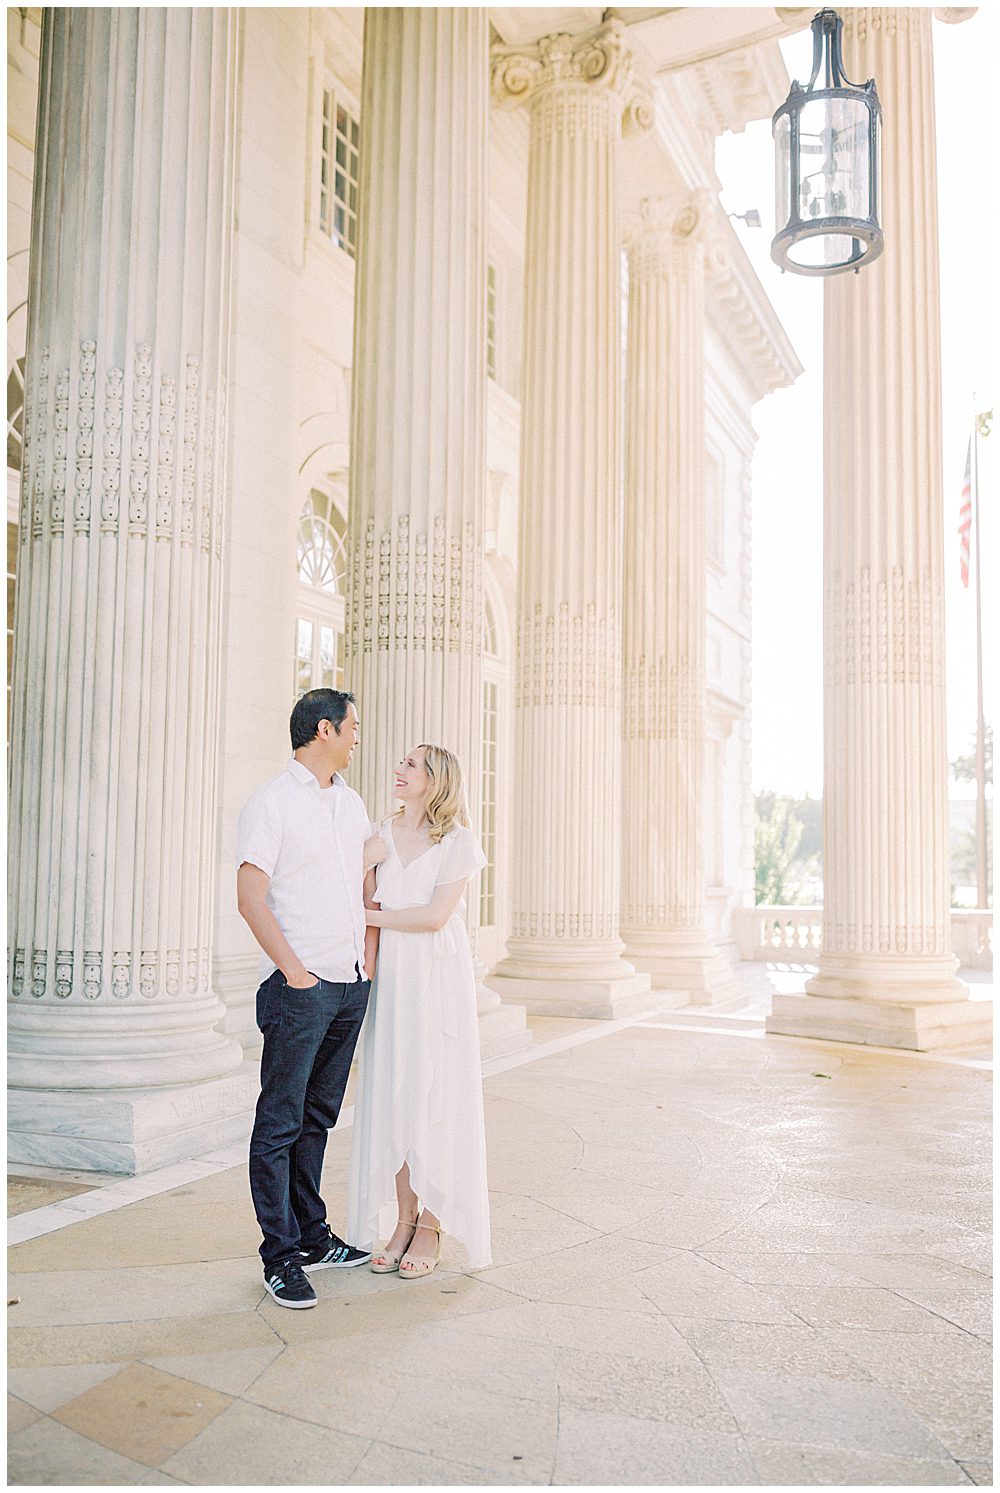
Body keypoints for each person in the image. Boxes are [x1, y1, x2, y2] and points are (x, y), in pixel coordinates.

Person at [236, 688, 382, 1309]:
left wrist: (367, 966)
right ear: (324, 730)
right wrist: (296, 974)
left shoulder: (351, 805)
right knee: (279, 1123)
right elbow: (249, 896)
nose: (357, 738)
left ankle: (314, 1238)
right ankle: (280, 1255)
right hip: (303, 991)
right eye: (352, 728)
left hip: (349, 986)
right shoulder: (270, 803)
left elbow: (367, 878)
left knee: (318, 1119)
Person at [348, 743, 491, 1278]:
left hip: (436, 975)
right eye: (400, 761)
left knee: (437, 1092)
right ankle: (403, 1218)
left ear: (436, 779)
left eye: (410, 765)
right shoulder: (380, 836)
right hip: (393, 980)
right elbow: (348, 878)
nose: (398, 770)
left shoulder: (458, 841)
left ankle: (432, 1223)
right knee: (397, 1091)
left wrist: (364, 913)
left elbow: (435, 917)